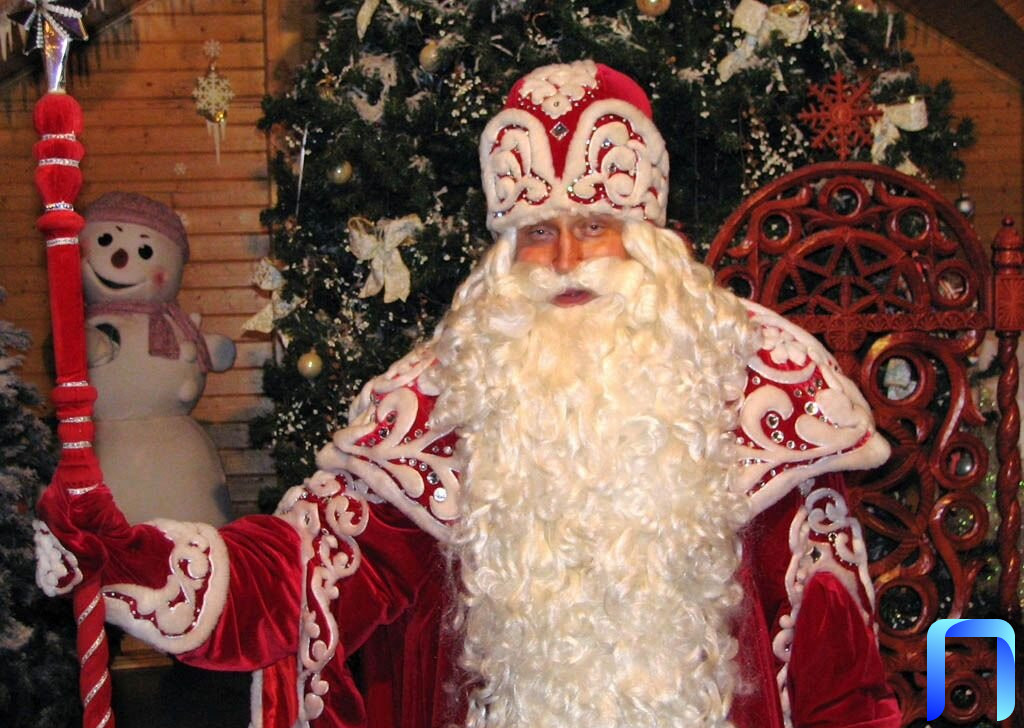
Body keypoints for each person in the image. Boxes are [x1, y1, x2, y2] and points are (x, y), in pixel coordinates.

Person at [36, 61, 901, 728]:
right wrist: (129, 557)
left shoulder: (760, 396)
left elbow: (838, 671)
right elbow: (305, 574)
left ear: (648, 240)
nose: (566, 260)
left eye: (594, 226)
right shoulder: (448, 397)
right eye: (537, 233)